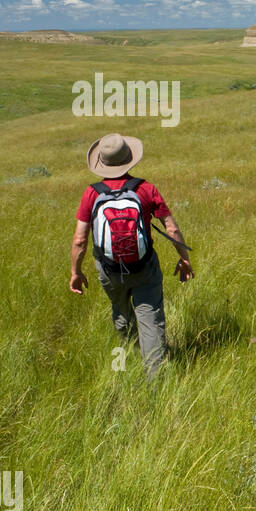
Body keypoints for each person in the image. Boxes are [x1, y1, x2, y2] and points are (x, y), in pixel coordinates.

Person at [69, 133, 194, 376]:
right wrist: (184, 258)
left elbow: (79, 239)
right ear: (130, 160)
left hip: (109, 270)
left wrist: (76, 272)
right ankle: (155, 380)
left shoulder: (91, 194)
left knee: (121, 313)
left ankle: (134, 346)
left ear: (101, 163)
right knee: (151, 320)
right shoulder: (146, 189)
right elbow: (172, 228)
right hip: (144, 268)